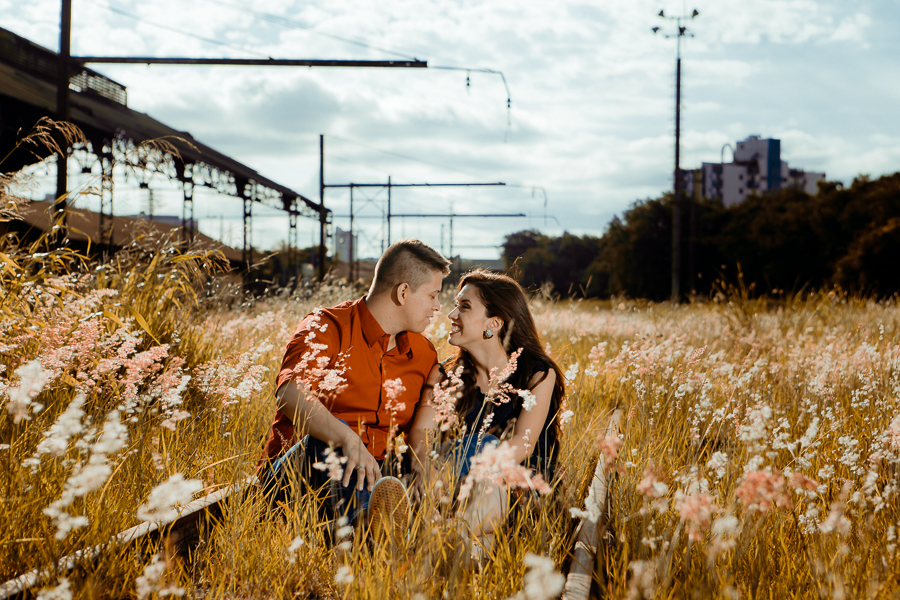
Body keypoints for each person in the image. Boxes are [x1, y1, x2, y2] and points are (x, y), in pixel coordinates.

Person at [260, 239, 450, 534]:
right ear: (403, 292)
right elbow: (290, 393)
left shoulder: (423, 354)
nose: (438, 307)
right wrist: (348, 438)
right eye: (432, 295)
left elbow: (420, 435)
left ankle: (394, 529)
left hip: (372, 479)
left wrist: (422, 472)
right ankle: (371, 529)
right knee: (328, 438)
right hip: (298, 479)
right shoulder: (326, 327)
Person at [408, 269, 566, 556]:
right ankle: (458, 552)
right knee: (478, 543)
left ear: (493, 323)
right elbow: (422, 432)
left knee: (490, 452)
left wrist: (483, 468)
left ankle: (441, 537)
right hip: (461, 486)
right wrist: (422, 468)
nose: (451, 314)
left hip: (522, 485)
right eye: (456, 304)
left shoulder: (537, 373)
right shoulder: (446, 375)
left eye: (464, 307)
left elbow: (522, 444)